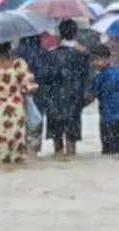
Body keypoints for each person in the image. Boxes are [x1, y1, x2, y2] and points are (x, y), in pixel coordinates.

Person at [36, 20, 91, 156]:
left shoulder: (50, 55)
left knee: (57, 141)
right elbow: (87, 79)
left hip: (54, 103)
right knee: (71, 141)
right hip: (74, 102)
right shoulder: (82, 55)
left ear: (59, 33)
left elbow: (44, 79)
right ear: (75, 33)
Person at [13, 34, 46, 154]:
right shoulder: (41, 52)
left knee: (22, 122)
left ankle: (22, 148)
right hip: (37, 91)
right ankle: (33, 150)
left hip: (19, 93)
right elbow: (43, 73)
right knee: (35, 120)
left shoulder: (15, 53)